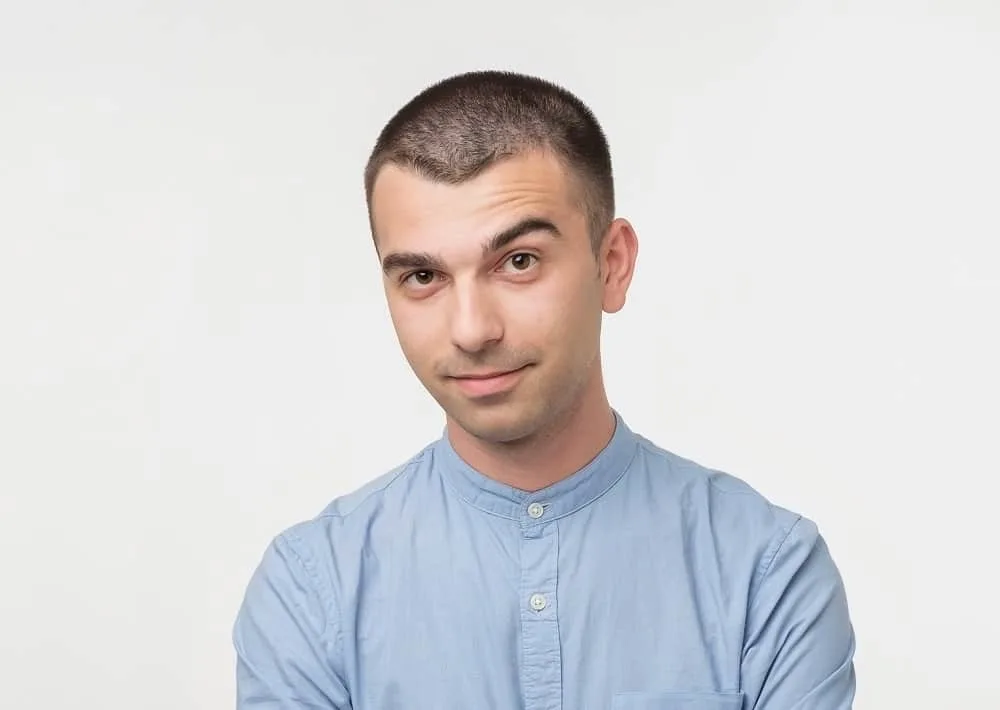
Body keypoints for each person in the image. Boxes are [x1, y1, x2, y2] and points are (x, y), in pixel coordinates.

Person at [232, 70, 856, 709]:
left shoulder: (767, 573)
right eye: (423, 276)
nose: (472, 330)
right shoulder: (312, 591)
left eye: (519, 262)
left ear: (610, 265)